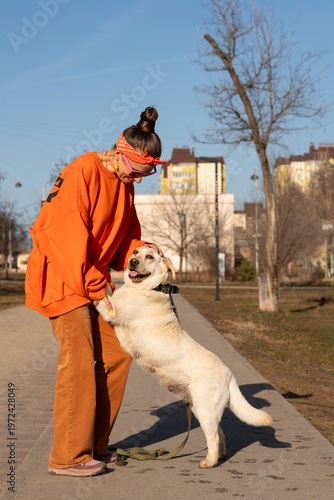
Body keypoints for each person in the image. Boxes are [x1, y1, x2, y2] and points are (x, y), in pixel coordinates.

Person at [25, 106, 168, 477]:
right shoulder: (83, 170)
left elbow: (124, 241)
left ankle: (95, 444)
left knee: (119, 352)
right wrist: (92, 283)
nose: (140, 178)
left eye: (148, 172)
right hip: (63, 277)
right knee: (79, 360)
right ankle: (67, 456)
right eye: (139, 169)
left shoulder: (123, 185)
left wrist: (145, 252)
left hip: (92, 280)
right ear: (122, 153)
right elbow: (59, 232)